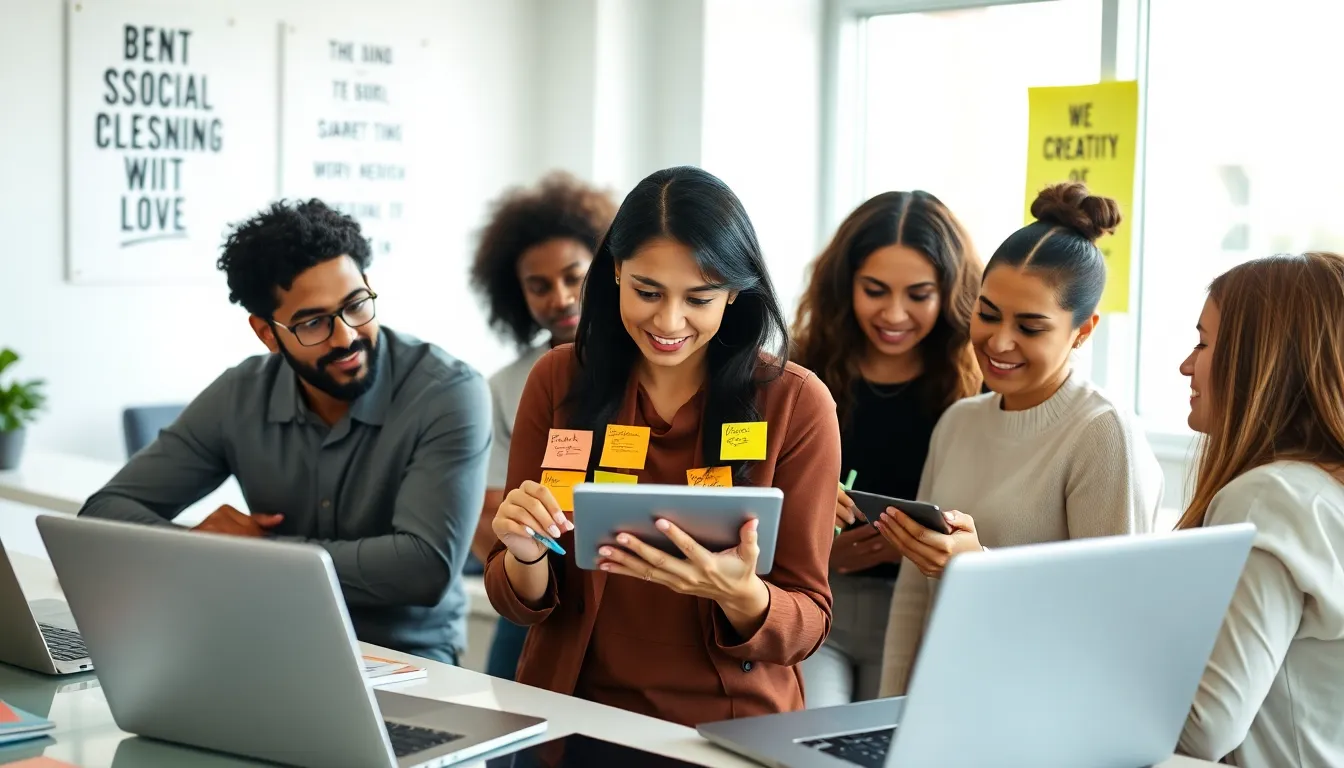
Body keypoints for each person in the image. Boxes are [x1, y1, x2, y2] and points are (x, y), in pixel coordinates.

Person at [482, 166, 840, 726]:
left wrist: (742, 594)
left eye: (699, 298)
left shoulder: (795, 403)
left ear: (734, 294)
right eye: (647, 292)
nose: (668, 321)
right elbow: (518, 598)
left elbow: (808, 621)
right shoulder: (558, 380)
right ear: (615, 274)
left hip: (726, 728)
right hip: (573, 716)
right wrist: (526, 554)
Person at [79, 199, 491, 665]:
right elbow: (102, 515)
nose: (346, 337)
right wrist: (198, 545)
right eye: (313, 322)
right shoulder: (241, 393)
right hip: (270, 642)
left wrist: (261, 554)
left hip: (408, 658)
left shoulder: (449, 393)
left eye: (356, 305)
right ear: (267, 334)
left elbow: (424, 568)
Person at [876, 182, 1163, 696]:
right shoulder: (959, 422)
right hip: (944, 702)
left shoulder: (1101, 434)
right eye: (987, 314)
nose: (999, 342)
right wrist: (890, 711)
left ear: (1083, 330)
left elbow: (1109, 617)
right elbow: (912, 596)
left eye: (1030, 327)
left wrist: (975, 565)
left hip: (1035, 710)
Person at [790, 190, 982, 707]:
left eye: (918, 294)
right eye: (875, 290)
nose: (894, 314)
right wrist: (809, 524)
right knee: (810, 748)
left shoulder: (975, 391)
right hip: (818, 601)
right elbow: (744, 486)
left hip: (918, 610)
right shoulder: (799, 377)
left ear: (951, 293)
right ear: (844, 284)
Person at [1174, 252, 1344, 768]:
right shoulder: (1320, 493)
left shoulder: (1272, 498)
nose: (1186, 363)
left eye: (1203, 342)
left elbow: (1205, 728)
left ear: (1261, 361)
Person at [467, 171, 617, 680]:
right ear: (516, 294)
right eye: (538, 284)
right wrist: (533, 563)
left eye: (575, 276)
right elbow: (485, 518)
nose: (560, 296)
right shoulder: (506, 386)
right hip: (533, 600)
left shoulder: (654, 369)